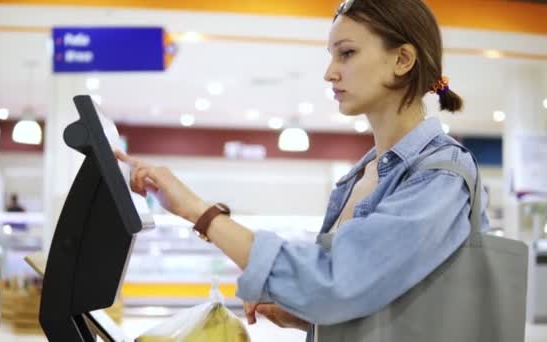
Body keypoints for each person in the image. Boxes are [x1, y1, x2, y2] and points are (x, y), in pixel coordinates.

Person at [115, 0, 489, 340]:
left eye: (347, 54)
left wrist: (197, 210)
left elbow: (336, 282)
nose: (330, 73)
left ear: (403, 60)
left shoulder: (441, 174)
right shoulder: (359, 177)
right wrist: (306, 316)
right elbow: (369, 298)